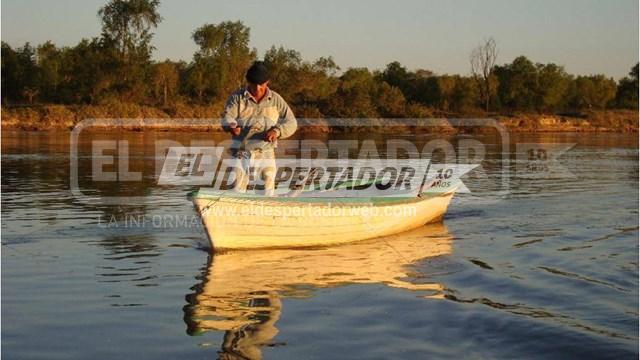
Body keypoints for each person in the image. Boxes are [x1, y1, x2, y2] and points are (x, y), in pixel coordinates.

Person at [221, 61, 297, 196]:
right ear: (248, 82)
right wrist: (232, 125)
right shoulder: (237, 98)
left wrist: (277, 131)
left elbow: (291, 122)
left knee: (266, 193)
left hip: (266, 152)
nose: (257, 88)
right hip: (241, 152)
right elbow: (227, 116)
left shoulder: (276, 99)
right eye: (253, 84)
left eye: (261, 84)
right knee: (236, 192)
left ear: (267, 82)